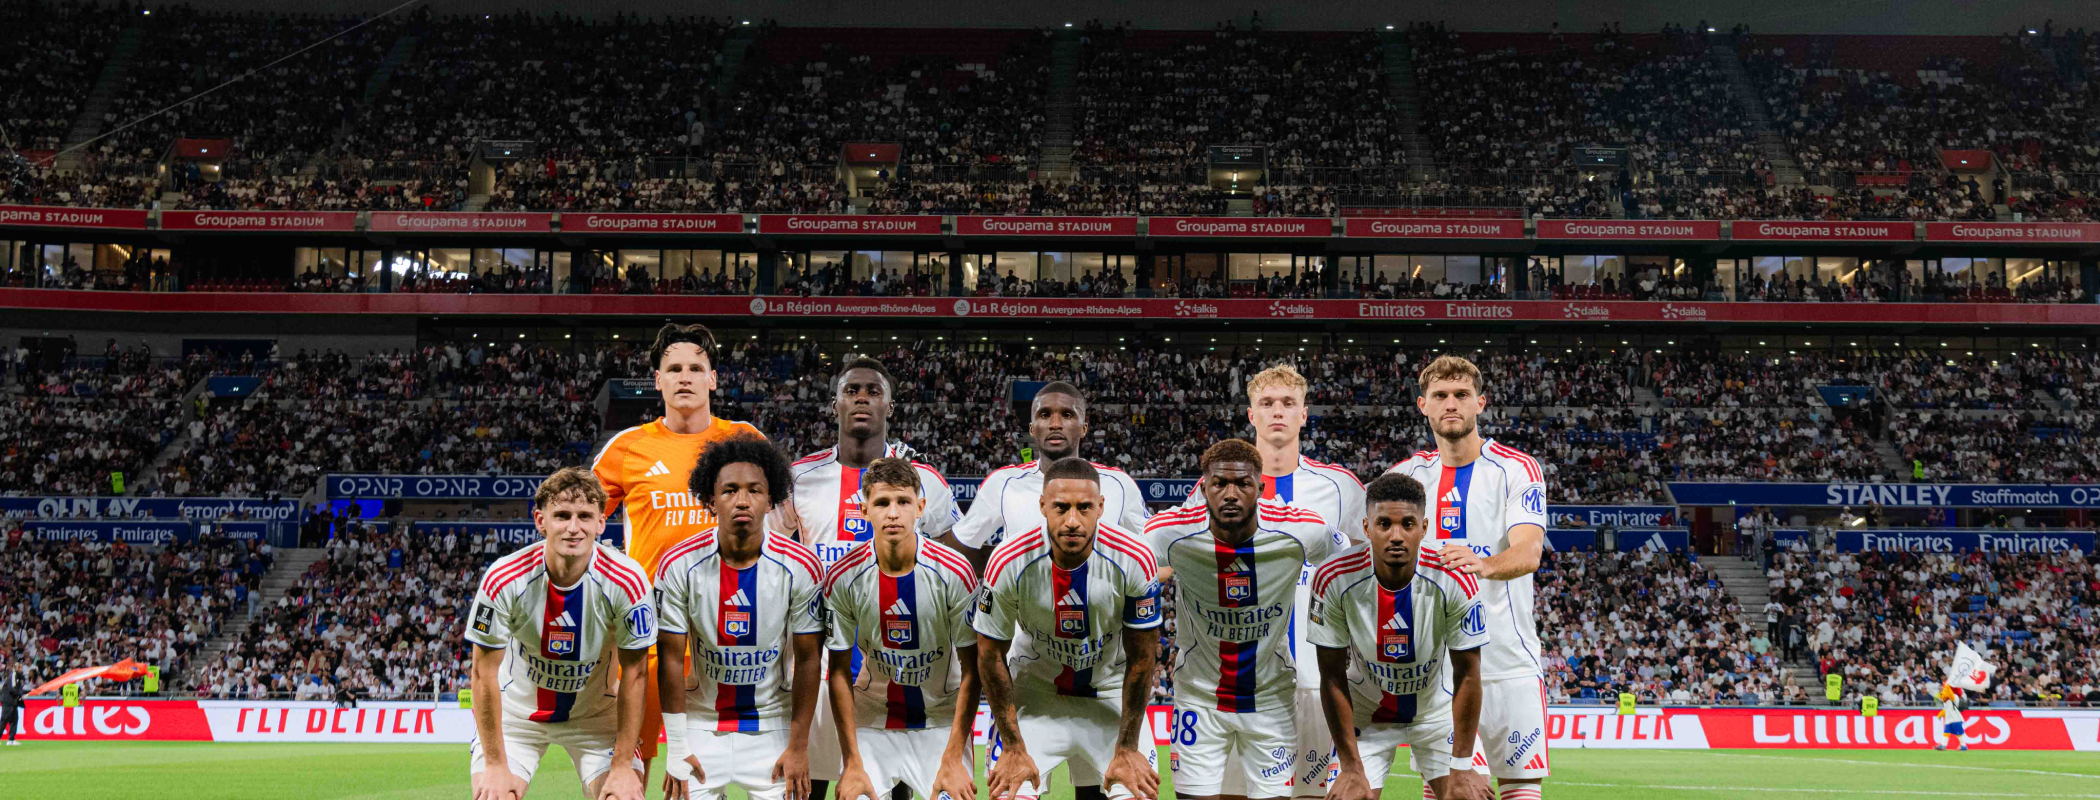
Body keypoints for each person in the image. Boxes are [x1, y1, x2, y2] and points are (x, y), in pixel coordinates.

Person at [1174, 364, 1364, 799]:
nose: (1278, 411)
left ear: (1304, 414)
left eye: (1288, 403)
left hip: (1318, 679)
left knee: (1312, 795)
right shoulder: (1211, 490)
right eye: (1267, 403)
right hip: (1237, 681)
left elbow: (1363, 573)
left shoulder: (1341, 487)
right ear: (1251, 414)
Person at [780, 357, 960, 797]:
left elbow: (954, 565)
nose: (862, 398)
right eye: (851, 390)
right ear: (835, 405)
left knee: (892, 787)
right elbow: (774, 561)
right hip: (819, 662)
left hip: (901, 662)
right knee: (809, 785)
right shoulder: (799, 479)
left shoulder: (925, 481)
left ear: (890, 407)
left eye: (873, 391)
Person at [592, 322, 765, 774]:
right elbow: (578, 519)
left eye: (695, 368)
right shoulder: (628, 448)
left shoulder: (744, 440)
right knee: (632, 762)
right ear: (658, 380)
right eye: (674, 369)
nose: (684, 377)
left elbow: (781, 522)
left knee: (723, 764)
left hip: (733, 625)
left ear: (713, 378)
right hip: (650, 627)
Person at [1384, 355, 1550, 800]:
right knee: (1447, 789)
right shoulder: (1403, 477)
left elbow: (1529, 551)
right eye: (1440, 395)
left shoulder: (1516, 468)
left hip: (1508, 660)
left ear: (1481, 402)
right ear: (1423, 405)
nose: (1451, 403)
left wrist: (1482, 564)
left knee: (1520, 787)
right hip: (1433, 669)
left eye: (1461, 394)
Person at [1147, 439, 1347, 800]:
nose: (1230, 494)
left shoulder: (1301, 529)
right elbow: (1123, 565)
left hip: (1271, 699)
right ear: (1203, 488)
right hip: (1199, 699)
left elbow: (1349, 565)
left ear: (1261, 488)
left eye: (1242, 483)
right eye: (1219, 483)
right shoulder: (1170, 533)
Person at [976, 457, 1162, 800]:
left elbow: (1143, 658)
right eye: (1061, 507)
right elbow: (989, 655)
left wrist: (1127, 747)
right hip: (1035, 693)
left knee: (1137, 792)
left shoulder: (1135, 557)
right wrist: (1013, 746)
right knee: (1008, 793)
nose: (1072, 521)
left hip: (1108, 694)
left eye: (1084, 507)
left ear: (1101, 507)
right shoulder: (1008, 560)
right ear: (1043, 506)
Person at [464, 467, 656, 800]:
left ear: (601, 523)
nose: (573, 527)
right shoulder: (505, 579)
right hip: (517, 717)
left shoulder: (627, 581)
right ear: (541, 520)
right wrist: (494, 764)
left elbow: (636, 673)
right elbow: (483, 674)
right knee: (493, 796)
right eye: (562, 515)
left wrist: (623, 764)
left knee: (623, 797)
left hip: (596, 718)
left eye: (585, 516)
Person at [653, 435, 825, 800]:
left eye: (754, 490)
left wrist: (798, 746)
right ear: (711, 499)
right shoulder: (678, 564)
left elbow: (809, 659)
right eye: (730, 490)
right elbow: (670, 659)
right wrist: (677, 745)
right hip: (701, 726)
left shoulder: (801, 566)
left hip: (773, 727)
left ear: (771, 499)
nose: (743, 501)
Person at [1308, 474, 1492, 800]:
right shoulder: (1333, 578)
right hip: (1367, 715)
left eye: (1407, 524)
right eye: (1384, 524)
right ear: (1367, 528)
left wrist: (1463, 766)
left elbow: (1468, 674)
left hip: (1436, 716)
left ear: (1424, 528)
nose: (1396, 536)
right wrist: (1350, 766)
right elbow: (1332, 675)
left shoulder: (1454, 577)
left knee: (1469, 796)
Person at [821, 457, 981, 800]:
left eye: (903, 502)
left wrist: (954, 758)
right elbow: (838, 671)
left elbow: (974, 669)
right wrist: (851, 762)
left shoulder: (954, 572)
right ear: (864, 510)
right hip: (872, 720)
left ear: (920, 508)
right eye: (882, 503)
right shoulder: (843, 576)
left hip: (940, 720)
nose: (893, 513)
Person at [956, 381, 1152, 572]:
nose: (1055, 424)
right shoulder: (1003, 483)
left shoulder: (1119, 484)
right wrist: (1010, 561)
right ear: (1032, 429)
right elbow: (960, 547)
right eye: (1045, 414)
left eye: (1067, 414)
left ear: (1083, 428)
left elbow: (1153, 550)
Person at [1936, 684, 1969, 751]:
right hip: (1948, 720)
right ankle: (1943, 745)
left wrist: (1948, 687)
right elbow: (1946, 709)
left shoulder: (1954, 697)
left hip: (1955, 719)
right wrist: (1941, 714)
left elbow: (1952, 696)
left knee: (1959, 733)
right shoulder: (1945, 701)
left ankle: (1963, 746)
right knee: (1946, 732)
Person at [1, 671, 20, 746]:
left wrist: (19, 696)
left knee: (14, 720)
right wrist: (19, 694)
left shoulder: (16, 678)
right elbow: (13, 690)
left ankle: (11, 740)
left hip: (13, 702)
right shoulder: (12, 678)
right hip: (8, 702)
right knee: (4, 720)